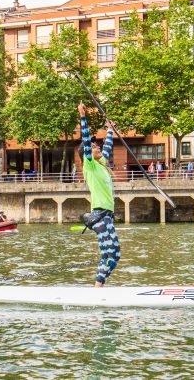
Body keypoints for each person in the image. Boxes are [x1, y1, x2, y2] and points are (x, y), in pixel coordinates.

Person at [78, 101, 120, 288]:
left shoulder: (102, 163)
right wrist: (83, 118)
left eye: (97, 146)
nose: (97, 148)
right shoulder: (90, 165)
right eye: (95, 147)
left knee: (114, 254)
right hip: (98, 216)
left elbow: (108, 147)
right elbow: (86, 142)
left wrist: (110, 130)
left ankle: (99, 286)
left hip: (108, 217)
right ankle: (97, 286)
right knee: (110, 252)